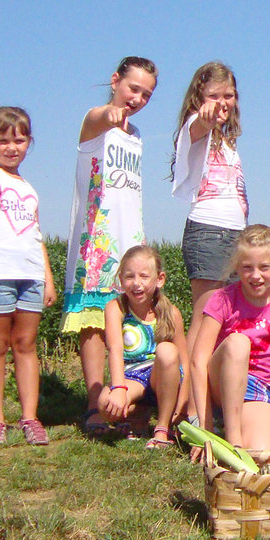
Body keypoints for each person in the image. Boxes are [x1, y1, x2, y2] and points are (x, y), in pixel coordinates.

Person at [63, 56, 158, 437]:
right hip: (97, 240)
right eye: (133, 88)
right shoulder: (95, 121)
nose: (138, 99)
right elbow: (102, 117)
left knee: (130, 318)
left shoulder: (136, 135)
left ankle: (128, 400)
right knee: (94, 323)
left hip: (129, 239)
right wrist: (111, 114)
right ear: (115, 80)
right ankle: (94, 403)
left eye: (147, 95)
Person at [0, 107, 58, 446]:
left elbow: (36, 235)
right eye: (3, 140)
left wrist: (47, 278)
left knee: (26, 345)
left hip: (31, 275)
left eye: (19, 141)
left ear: (29, 142)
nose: (11, 147)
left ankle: (30, 418)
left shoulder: (29, 189)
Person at [189, 225, 270, 454]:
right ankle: (233, 441)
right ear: (237, 266)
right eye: (247, 268)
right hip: (221, 382)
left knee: (261, 452)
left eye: (264, 267)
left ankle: (237, 431)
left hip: (259, 388)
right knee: (238, 343)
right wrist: (205, 428)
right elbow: (198, 362)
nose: (255, 276)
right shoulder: (222, 299)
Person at [170, 62, 247, 405]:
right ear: (199, 98)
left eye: (228, 95)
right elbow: (199, 124)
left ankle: (209, 400)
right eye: (214, 95)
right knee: (203, 322)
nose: (222, 102)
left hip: (235, 234)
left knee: (223, 323)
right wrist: (205, 115)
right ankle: (188, 407)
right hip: (209, 232)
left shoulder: (227, 140)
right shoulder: (194, 127)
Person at [98, 245, 187, 448]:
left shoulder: (171, 313)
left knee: (166, 351)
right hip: (133, 377)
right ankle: (138, 413)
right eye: (129, 277)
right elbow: (114, 350)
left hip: (165, 377)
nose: (136, 283)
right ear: (121, 280)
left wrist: (182, 406)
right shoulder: (116, 308)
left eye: (144, 276)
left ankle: (162, 428)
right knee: (105, 404)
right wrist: (118, 388)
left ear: (159, 279)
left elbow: (185, 362)